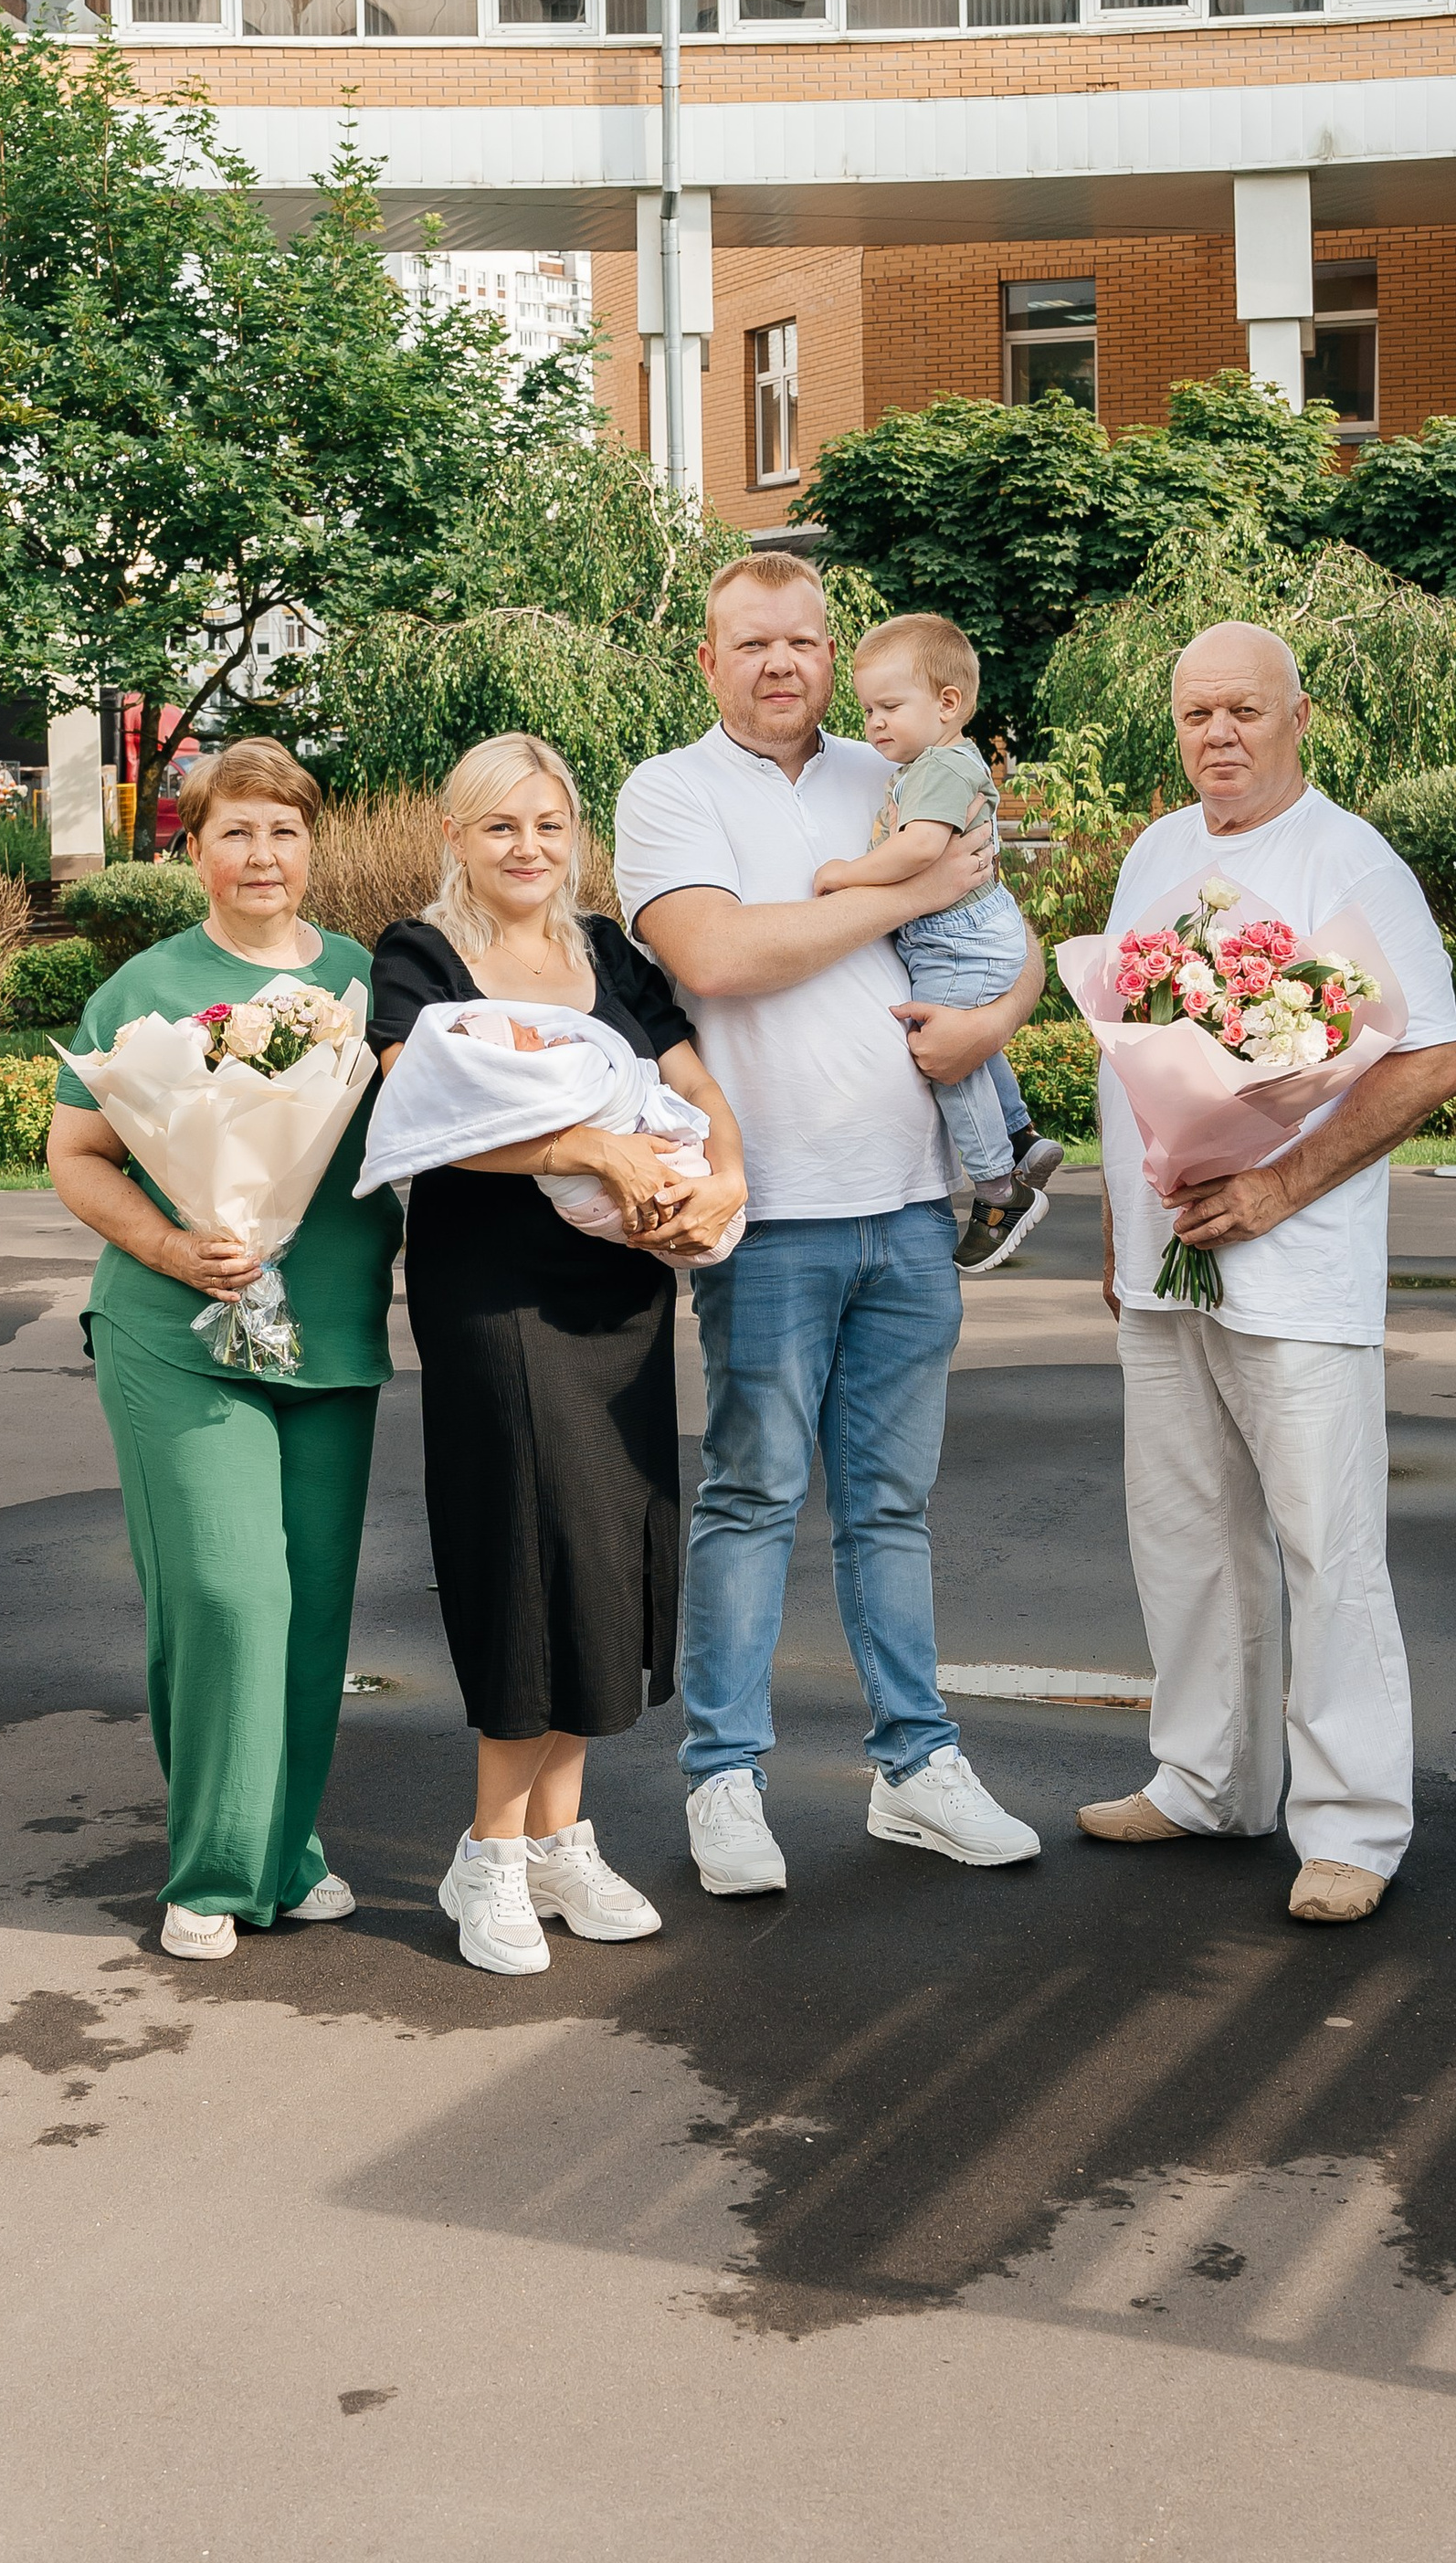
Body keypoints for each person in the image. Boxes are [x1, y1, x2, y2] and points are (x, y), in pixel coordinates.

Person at [617, 554, 1051, 1901]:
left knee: (892, 1507)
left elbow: (1011, 933)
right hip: (771, 1215)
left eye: (804, 639)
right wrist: (906, 895)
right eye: (753, 644)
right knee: (751, 1496)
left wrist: (996, 1018)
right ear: (709, 661)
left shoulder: (895, 765)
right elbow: (717, 957)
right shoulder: (669, 790)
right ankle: (726, 1779)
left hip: (912, 1204)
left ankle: (918, 1770)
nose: (783, 665)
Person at [1075, 624, 1456, 1925]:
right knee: (1184, 1534)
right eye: (1195, 714)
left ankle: (1353, 1824)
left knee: (1325, 1543)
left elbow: (1428, 1060)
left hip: (1293, 1264)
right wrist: (1121, 1230)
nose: (1217, 735)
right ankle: (1206, 1778)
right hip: (1165, 1252)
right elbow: (1127, 1051)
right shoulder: (1154, 851)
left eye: (1243, 709)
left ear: (1301, 714)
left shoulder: (1347, 858)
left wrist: (1281, 1184)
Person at [368, 733, 747, 1979]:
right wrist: (593, 1149)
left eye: (548, 824)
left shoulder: (612, 954)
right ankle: (485, 1853)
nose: (529, 848)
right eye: (499, 827)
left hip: (618, 1282)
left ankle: (560, 1838)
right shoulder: (418, 956)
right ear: (454, 837)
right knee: (523, 1541)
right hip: (493, 1290)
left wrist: (726, 1173)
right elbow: (416, 1119)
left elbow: (695, 1078)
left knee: (605, 1538)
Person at [46, 739, 400, 1965]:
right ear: (191, 847)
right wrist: (167, 1241)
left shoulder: (365, 981)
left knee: (310, 1613)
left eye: (285, 831)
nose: (262, 855)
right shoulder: (146, 985)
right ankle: (212, 1867)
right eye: (235, 831)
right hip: (175, 1333)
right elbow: (77, 1157)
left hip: (333, 1334)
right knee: (227, 1595)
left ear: (315, 845)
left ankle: (287, 1851)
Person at [811, 609, 1061, 1275]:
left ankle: (998, 1191)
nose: (875, 724)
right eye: (867, 709)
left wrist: (845, 875)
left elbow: (919, 847)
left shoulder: (941, 767)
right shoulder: (931, 763)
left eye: (890, 706)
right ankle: (1020, 1136)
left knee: (944, 1056)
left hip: (960, 941)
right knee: (970, 1042)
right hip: (964, 937)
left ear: (948, 703)